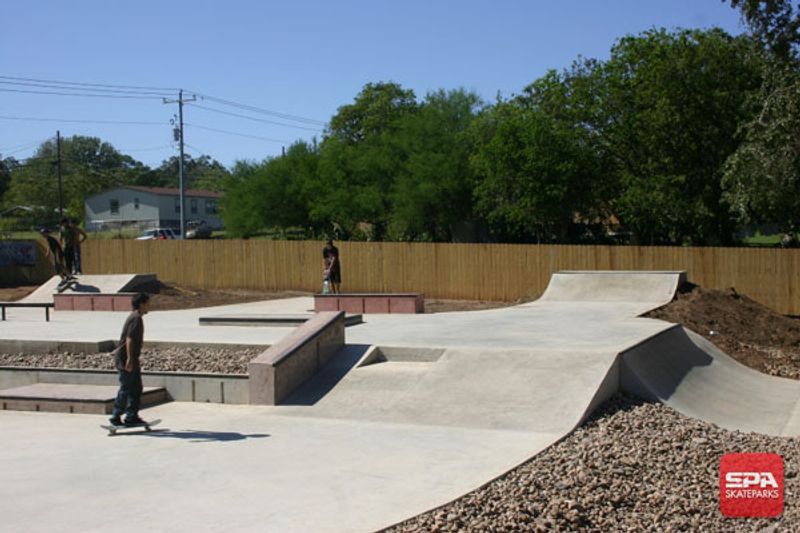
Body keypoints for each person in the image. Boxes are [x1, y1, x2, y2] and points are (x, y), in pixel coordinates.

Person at [109, 293, 150, 426]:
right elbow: (129, 339)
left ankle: (132, 416)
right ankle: (115, 417)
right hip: (126, 359)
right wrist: (130, 359)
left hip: (131, 359)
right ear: (141, 304)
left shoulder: (136, 317)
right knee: (126, 388)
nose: (149, 306)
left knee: (136, 388)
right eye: (147, 303)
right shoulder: (136, 318)